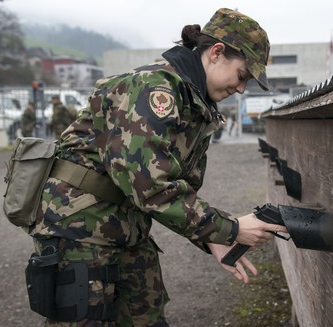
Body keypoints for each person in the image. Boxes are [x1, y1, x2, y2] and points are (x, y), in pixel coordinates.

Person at [28, 8, 286, 326]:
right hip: (79, 228)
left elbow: (182, 187)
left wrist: (210, 238)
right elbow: (148, 185)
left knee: (146, 317)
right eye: (242, 75)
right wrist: (230, 229)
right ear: (217, 53)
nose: (242, 88)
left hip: (126, 227)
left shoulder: (196, 105)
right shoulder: (154, 90)